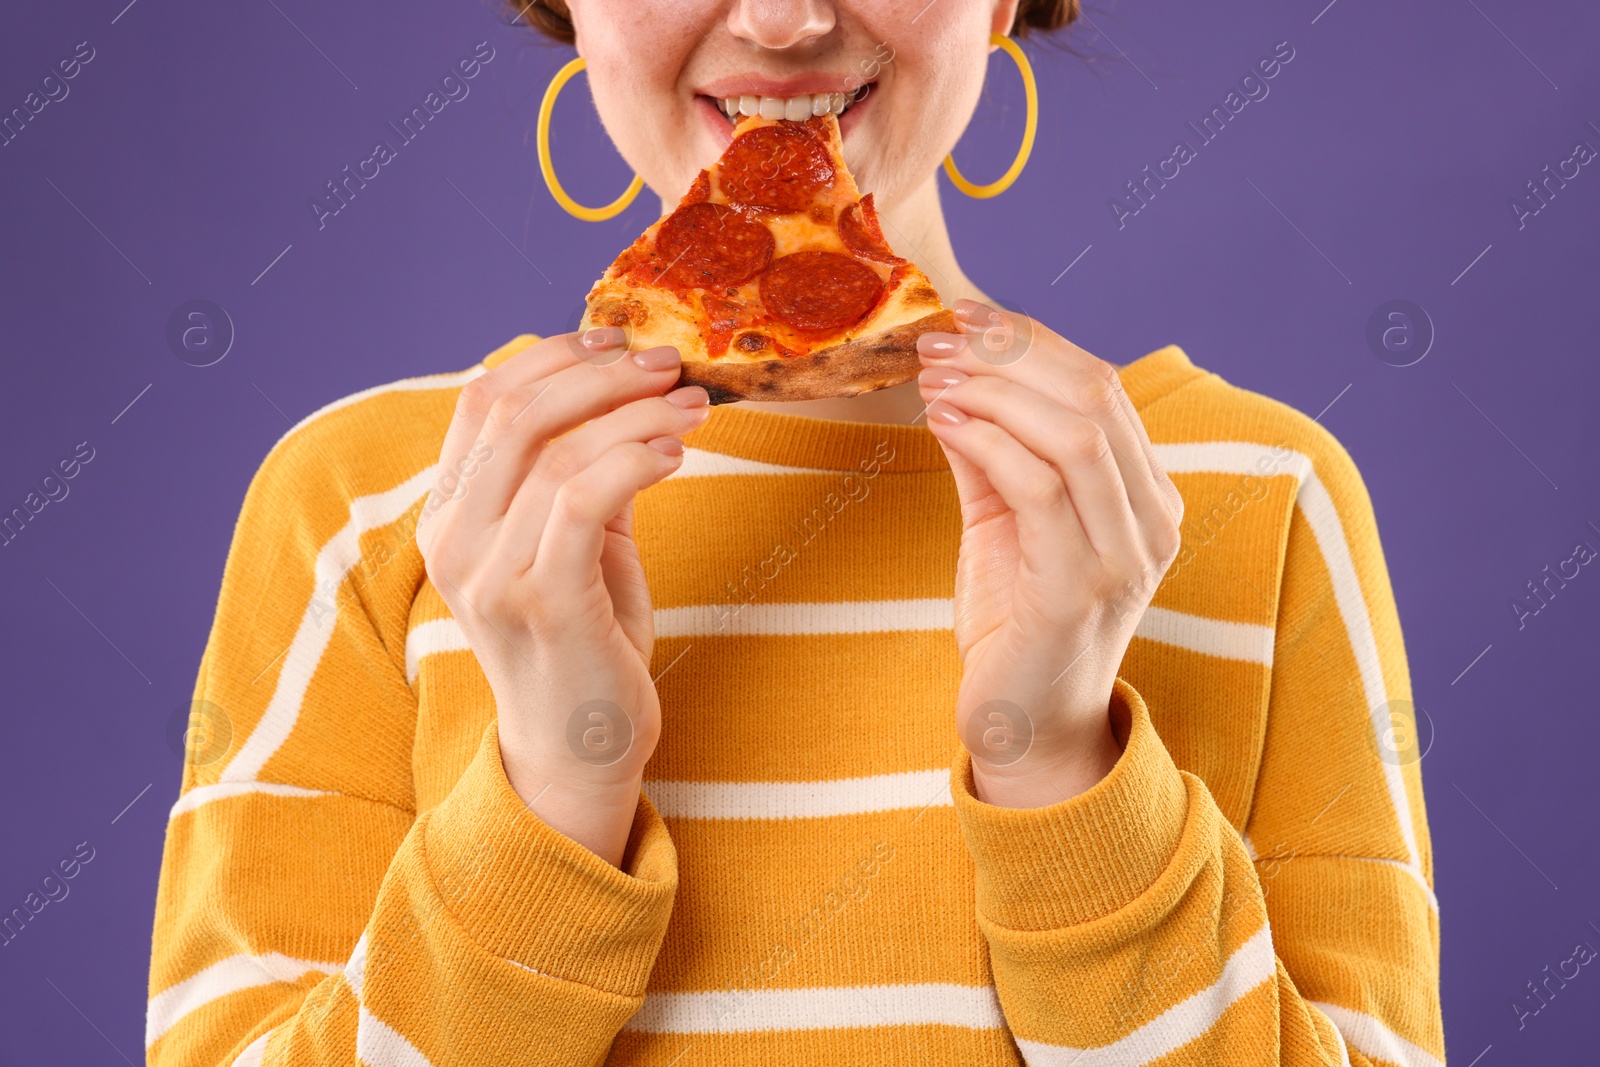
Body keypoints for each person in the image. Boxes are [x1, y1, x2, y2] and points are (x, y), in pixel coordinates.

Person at [146, 1, 1445, 1064]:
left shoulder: (1256, 491)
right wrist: (554, 783)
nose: (784, 20)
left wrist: (1058, 760)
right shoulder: (367, 502)